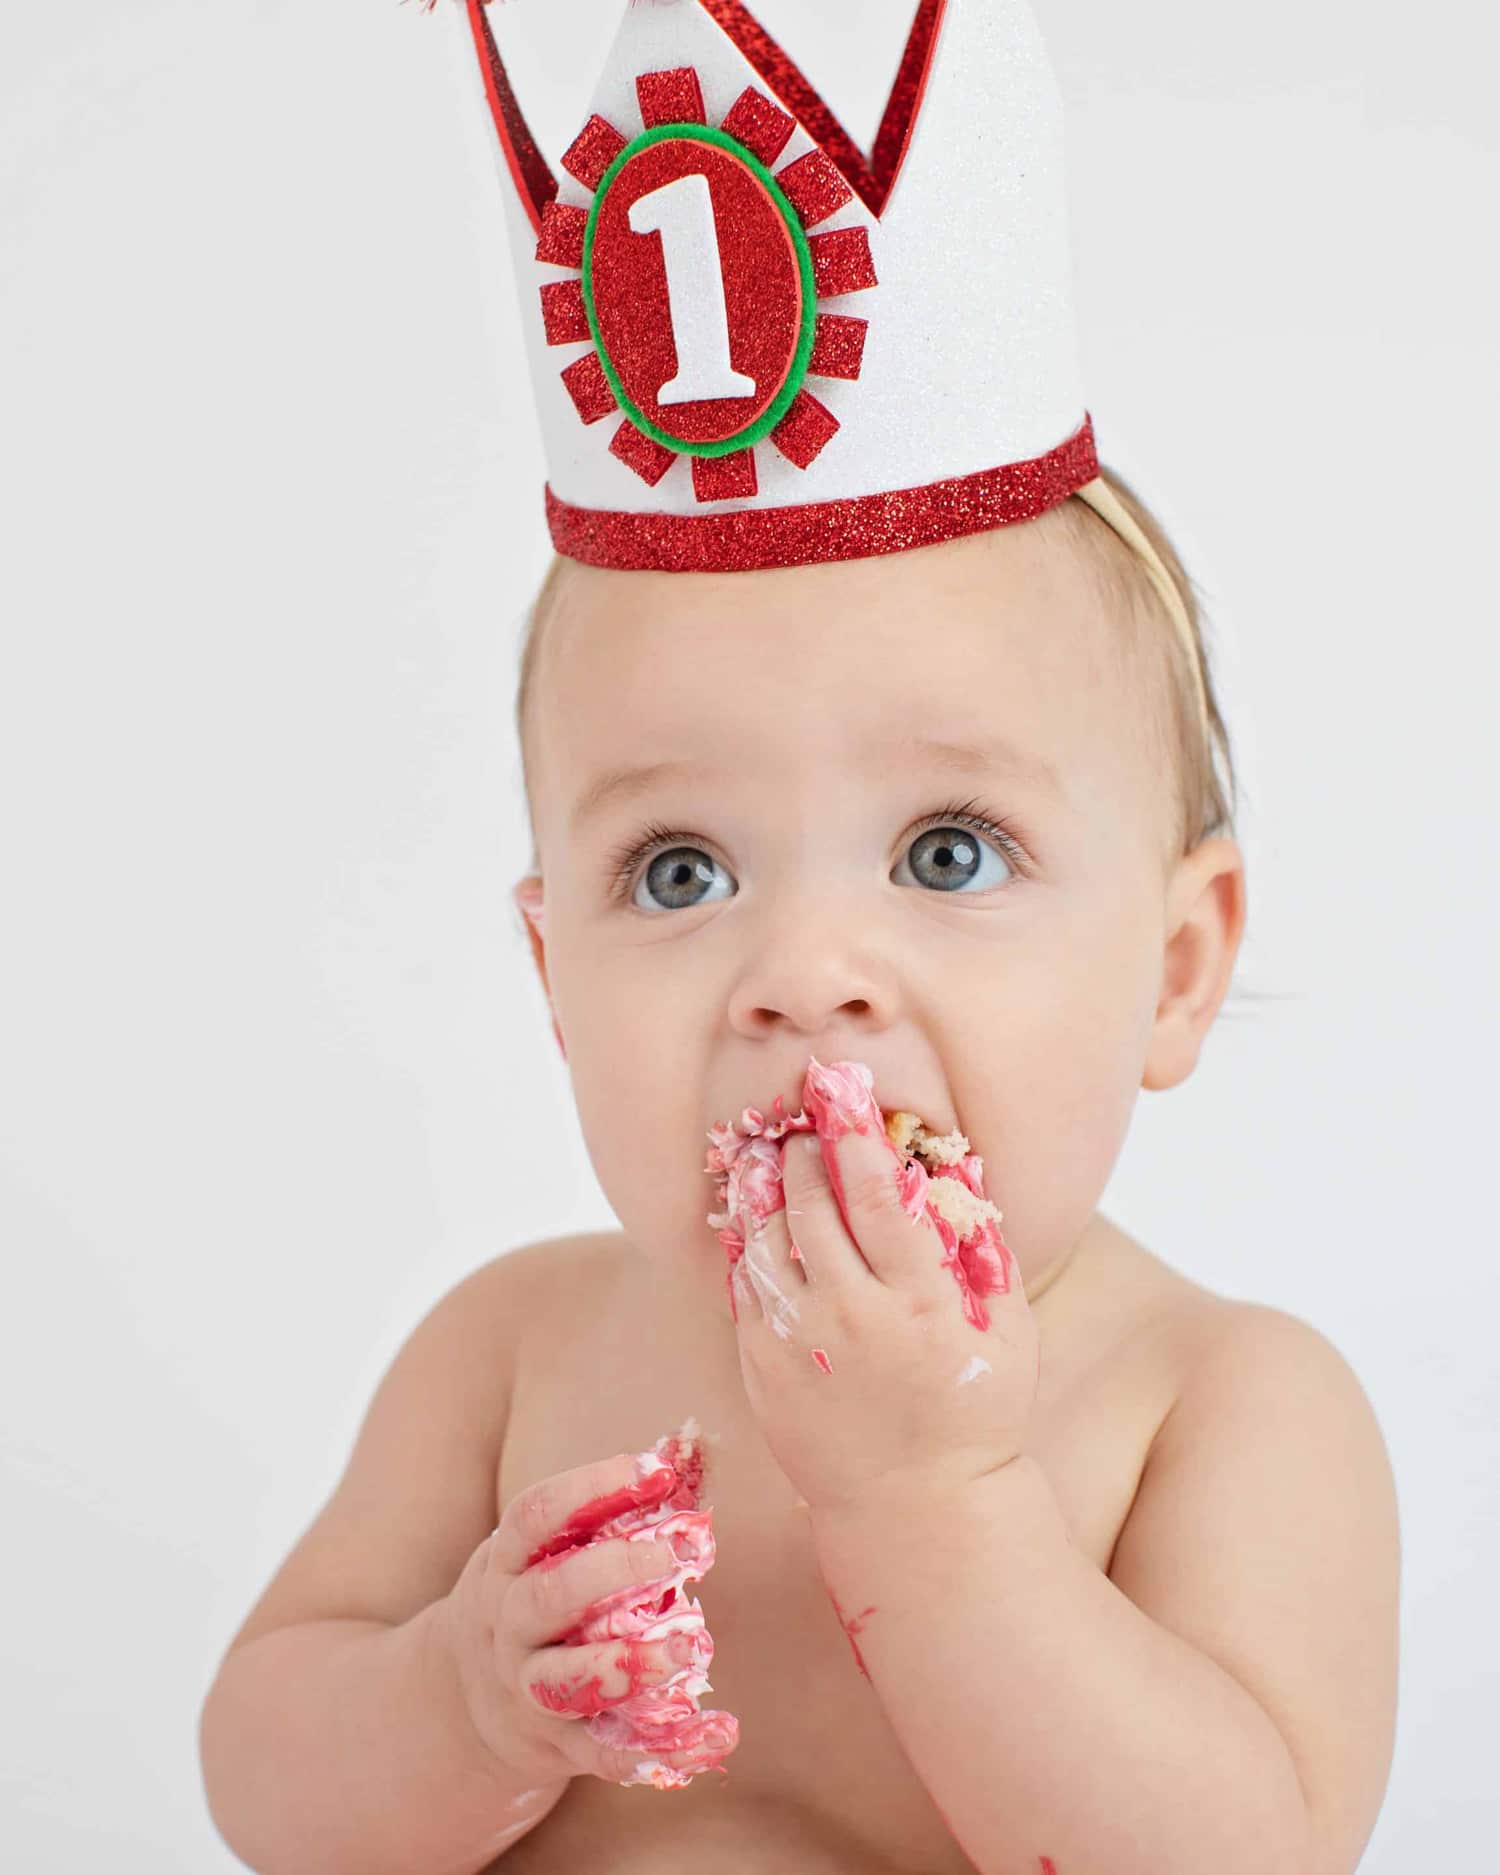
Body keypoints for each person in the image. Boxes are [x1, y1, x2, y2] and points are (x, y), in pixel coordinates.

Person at [198, 3, 1399, 1871]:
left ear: (1175, 967)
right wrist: (457, 1702)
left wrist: (939, 1504)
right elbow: (266, 1785)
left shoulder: (1223, 1408)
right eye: (679, 872)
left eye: (947, 848)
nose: (804, 969)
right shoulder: (507, 1354)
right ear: (551, 989)